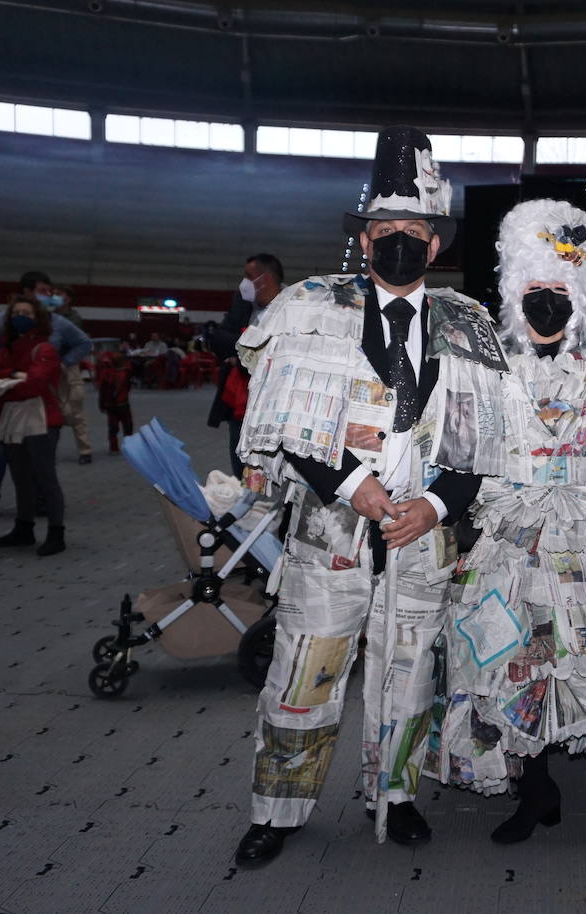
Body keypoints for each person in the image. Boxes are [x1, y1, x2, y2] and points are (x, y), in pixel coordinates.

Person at [231, 127, 507, 867]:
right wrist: (357, 487)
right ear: (363, 237)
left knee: (411, 675)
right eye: (383, 230)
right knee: (303, 673)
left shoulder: (470, 325)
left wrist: (436, 507)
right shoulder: (309, 307)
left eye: (412, 231)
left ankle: (399, 795)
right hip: (332, 532)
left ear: (434, 242)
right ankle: (278, 811)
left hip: (421, 540)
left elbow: (481, 443)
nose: (397, 242)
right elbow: (286, 426)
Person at [430, 200, 586, 844]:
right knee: (504, 654)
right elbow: (454, 455)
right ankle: (535, 786)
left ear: (581, 300)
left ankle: (540, 784)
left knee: (563, 657)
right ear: (515, 296)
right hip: (506, 539)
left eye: (559, 292)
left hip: (579, 540)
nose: (547, 304)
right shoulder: (484, 371)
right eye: (535, 292)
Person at [0, 272, 91, 519]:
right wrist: (3, 381)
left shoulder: (57, 324)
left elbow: (83, 343)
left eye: (51, 291)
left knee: (39, 453)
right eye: (44, 290)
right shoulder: (0, 324)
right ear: (26, 291)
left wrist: (62, 365)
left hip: (40, 400)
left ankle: (43, 505)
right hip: (6, 399)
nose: (49, 296)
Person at [0, 297, 67, 557]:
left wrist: (7, 380)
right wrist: (16, 376)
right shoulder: (10, 348)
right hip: (15, 418)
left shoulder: (45, 349)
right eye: (15, 312)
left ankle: (56, 532)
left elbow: (35, 384)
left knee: (45, 477)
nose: (20, 316)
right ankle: (24, 527)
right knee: (20, 477)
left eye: (25, 313)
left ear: (37, 317)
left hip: (41, 419)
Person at [207, 253, 284, 475]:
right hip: (240, 404)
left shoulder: (291, 306)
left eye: (249, 276)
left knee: (268, 470)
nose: (244, 283)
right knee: (240, 466)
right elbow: (220, 338)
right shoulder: (243, 304)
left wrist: (240, 350)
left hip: (272, 406)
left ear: (265, 278)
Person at [41, 283, 94, 464]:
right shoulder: (45, 316)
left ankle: (85, 450)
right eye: (52, 294)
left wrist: (64, 362)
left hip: (68, 367)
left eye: (58, 294)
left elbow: (78, 343)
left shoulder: (72, 318)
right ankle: (47, 450)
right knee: (49, 409)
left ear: (68, 298)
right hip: (48, 368)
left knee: (75, 410)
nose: (54, 297)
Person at [96, 351, 134, 453]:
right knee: (127, 426)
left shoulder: (107, 374)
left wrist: (102, 404)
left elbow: (102, 391)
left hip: (110, 405)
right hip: (123, 403)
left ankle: (114, 447)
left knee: (113, 427)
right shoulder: (126, 373)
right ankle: (129, 446)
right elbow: (128, 386)